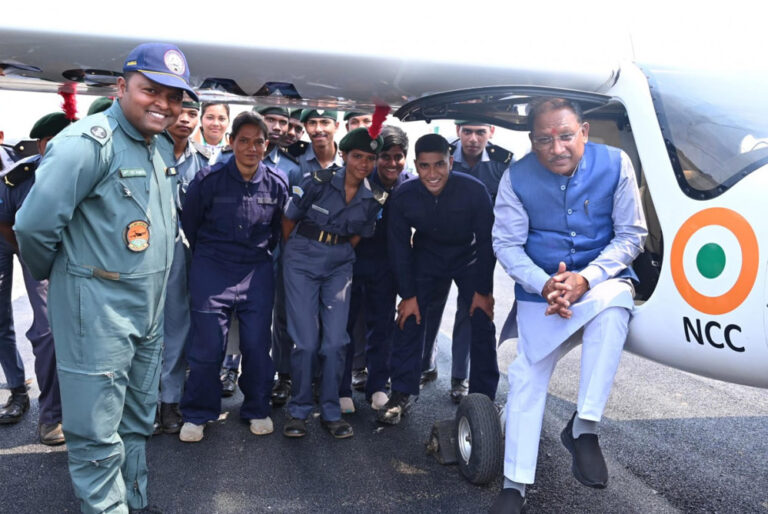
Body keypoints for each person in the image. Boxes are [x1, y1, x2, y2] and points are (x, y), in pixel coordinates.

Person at [14, 42, 196, 513]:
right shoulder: (86, 144)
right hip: (97, 312)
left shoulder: (158, 144)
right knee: (95, 434)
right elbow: (33, 228)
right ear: (121, 87)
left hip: (147, 309)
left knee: (136, 420)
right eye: (150, 90)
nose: (163, 104)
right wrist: (66, 282)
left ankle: (132, 500)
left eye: (174, 96)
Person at [490, 98, 647, 513]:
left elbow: (631, 235)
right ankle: (514, 485)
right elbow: (506, 244)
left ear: (584, 132)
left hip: (600, 283)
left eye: (565, 136)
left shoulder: (616, 164)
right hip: (542, 293)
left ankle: (584, 427)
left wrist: (586, 278)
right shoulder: (515, 177)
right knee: (527, 374)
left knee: (616, 304)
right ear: (532, 140)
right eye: (544, 139)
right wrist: (546, 284)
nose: (556, 148)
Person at [178, 111, 288, 442]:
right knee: (208, 345)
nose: (251, 148)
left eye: (258, 142)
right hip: (212, 269)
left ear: (266, 146)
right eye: (244, 141)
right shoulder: (208, 180)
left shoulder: (277, 182)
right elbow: (191, 225)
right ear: (231, 142)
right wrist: (211, 257)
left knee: (256, 345)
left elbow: (278, 231)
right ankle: (198, 413)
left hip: (255, 270)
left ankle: (256, 407)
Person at [379, 133, 498, 425]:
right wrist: (407, 295)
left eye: (439, 165)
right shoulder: (404, 195)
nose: (432, 174)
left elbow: (487, 242)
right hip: (427, 256)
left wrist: (483, 291)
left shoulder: (474, 190)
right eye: (424, 166)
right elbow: (398, 246)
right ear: (416, 165)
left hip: (468, 256)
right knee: (409, 318)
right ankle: (401, 392)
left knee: (481, 319)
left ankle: (484, 398)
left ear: (451, 162)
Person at [281, 127, 385, 439]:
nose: (363, 164)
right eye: (357, 156)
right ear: (344, 155)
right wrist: (296, 255)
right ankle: (299, 410)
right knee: (306, 342)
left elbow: (359, 235)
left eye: (370, 159)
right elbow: (288, 219)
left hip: (339, 264)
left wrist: (336, 251)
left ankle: (330, 411)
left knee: (336, 342)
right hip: (301, 260)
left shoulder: (374, 197)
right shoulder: (317, 181)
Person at [420, 120, 513, 403]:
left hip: (476, 249)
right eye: (467, 132)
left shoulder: (502, 163)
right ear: (458, 130)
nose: (473, 139)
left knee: (470, 310)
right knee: (430, 307)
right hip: (437, 245)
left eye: (480, 132)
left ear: (491, 132)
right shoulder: (442, 155)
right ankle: (425, 364)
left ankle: (460, 376)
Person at [0, 112, 71, 445]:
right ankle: (38, 405)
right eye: (54, 142)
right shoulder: (19, 177)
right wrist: (27, 254)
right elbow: (5, 222)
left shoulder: (82, 171)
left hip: (63, 256)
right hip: (27, 251)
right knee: (37, 330)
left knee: (61, 331)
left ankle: (65, 412)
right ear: (41, 145)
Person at [339, 126, 411, 412]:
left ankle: (378, 385)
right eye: (385, 156)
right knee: (344, 327)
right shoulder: (359, 180)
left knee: (382, 327)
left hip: (387, 268)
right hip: (352, 262)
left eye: (398, 156)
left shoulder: (409, 186)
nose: (392, 163)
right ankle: (341, 389)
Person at [155, 97, 210, 435]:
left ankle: (169, 401)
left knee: (177, 329)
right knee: (142, 332)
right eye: (181, 112)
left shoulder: (203, 161)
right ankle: (144, 402)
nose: (185, 120)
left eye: (193, 114)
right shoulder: (146, 149)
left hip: (181, 256)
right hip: (141, 253)